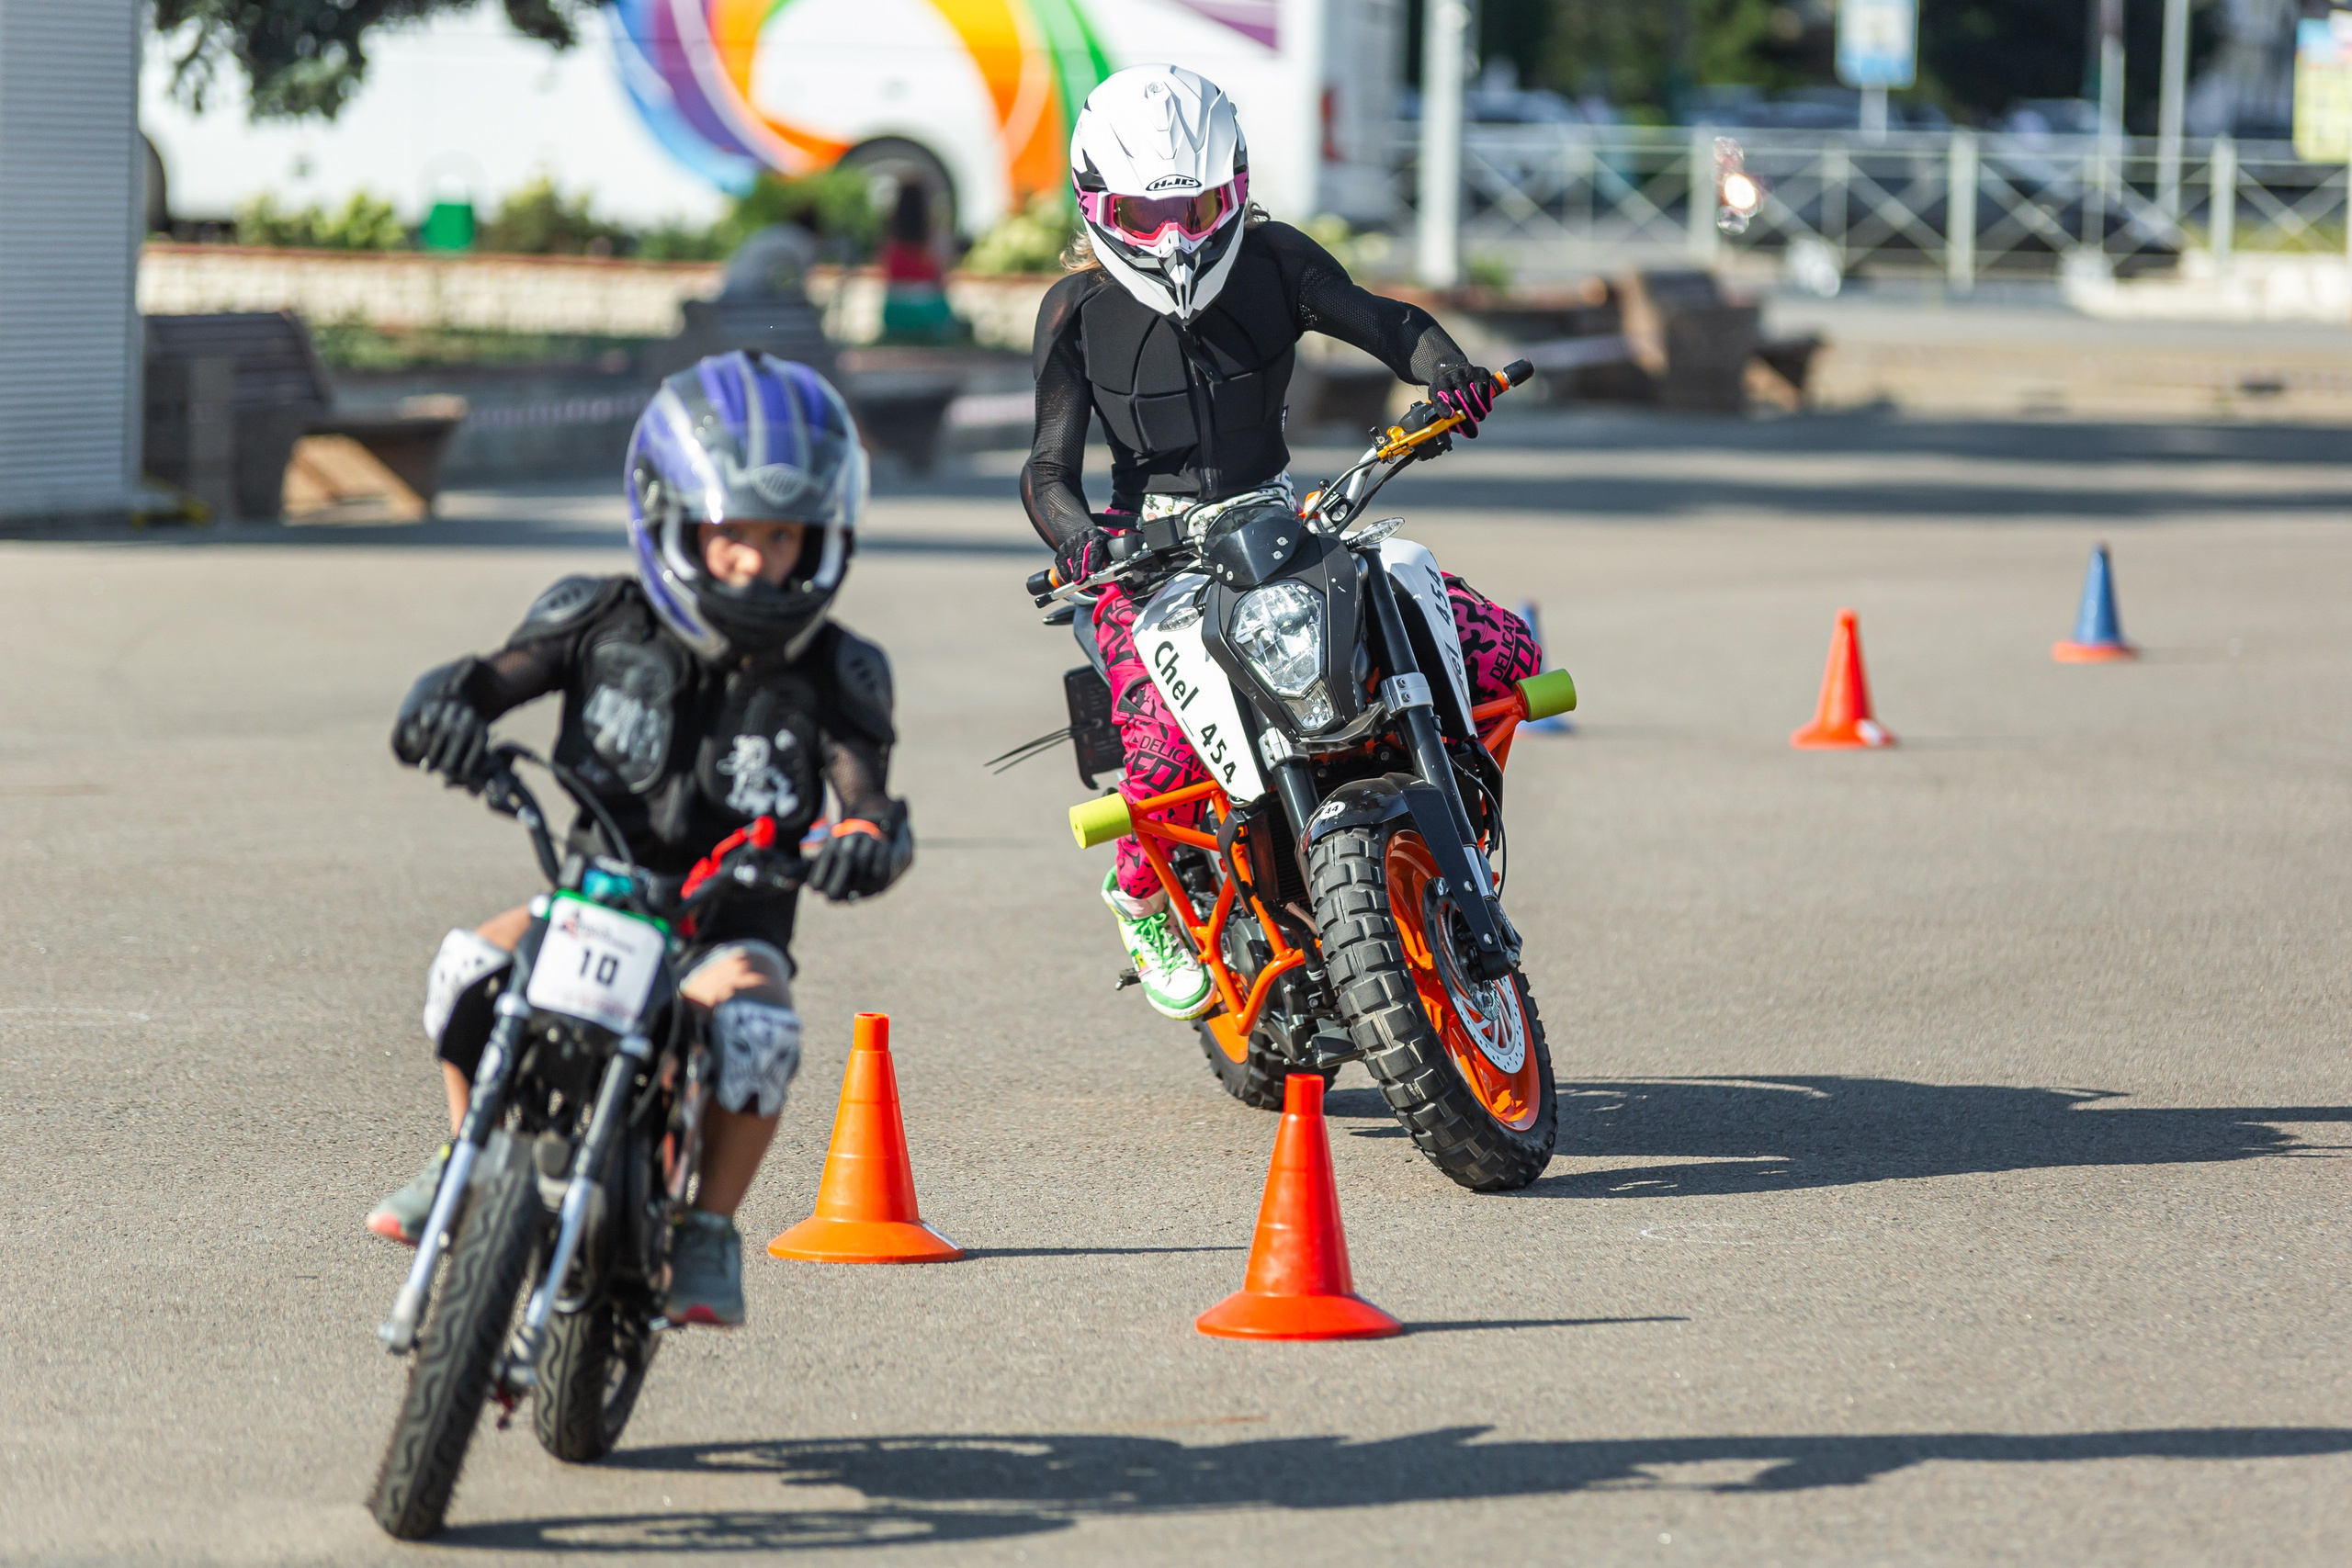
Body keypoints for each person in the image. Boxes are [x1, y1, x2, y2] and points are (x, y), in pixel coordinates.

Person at [368, 353, 913, 1328]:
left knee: (758, 1029)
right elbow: (481, 682)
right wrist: (442, 715)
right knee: (466, 968)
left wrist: (866, 836)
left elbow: (864, 790)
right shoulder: (596, 618)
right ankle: (464, 1153)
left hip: (727, 930)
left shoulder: (840, 669)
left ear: (823, 536)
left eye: (780, 535)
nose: (753, 560)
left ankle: (707, 1228)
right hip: (592, 899)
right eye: (730, 533)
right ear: (671, 520)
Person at [1021, 64, 1540, 1021]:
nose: (1174, 239)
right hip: (1144, 559)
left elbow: (1391, 324)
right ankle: (1140, 900)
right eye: (1143, 214)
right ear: (1096, 203)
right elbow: (1047, 470)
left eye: (1196, 208)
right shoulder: (1074, 312)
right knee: (1162, 755)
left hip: (1280, 519)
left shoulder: (1275, 261)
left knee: (1504, 650)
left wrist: (1447, 372)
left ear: (1237, 189)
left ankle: (1446, 809)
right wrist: (1079, 540)